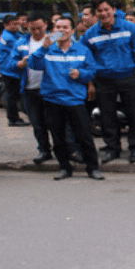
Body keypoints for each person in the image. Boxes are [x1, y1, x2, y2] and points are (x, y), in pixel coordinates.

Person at [28, 17, 103, 180]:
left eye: (65, 27)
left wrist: (80, 74)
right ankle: (64, 167)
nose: (62, 30)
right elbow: (33, 65)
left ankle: (93, 168)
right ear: (53, 30)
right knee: (58, 137)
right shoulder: (47, 50)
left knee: (84, 136)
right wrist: (43, 48)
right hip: (52, 99)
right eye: (58, 27)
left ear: (72, 30)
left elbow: (91, 70)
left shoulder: (82, 50)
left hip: (75, 100)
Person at [81, 0, 135, 164]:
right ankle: (112, 148)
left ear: (113, 10)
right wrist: (90, 82)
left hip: (128, 77)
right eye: (99, 11)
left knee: (133, 114)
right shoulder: (90, 34)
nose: (103, 13)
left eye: (106, 9)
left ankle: (134, 148)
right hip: (103, 80)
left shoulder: (129, 28)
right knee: (107, 116)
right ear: (96, 14)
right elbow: (85, 57)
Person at [9, 12, 67, 164]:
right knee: (37, 123)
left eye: (39, 28)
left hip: (52, 89)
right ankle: (44, 150)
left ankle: (63, 151)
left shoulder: (55, 39)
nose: (36, 32)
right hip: (30, 89)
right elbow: (10, 63)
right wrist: (19, 64)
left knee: (56, 123)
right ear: (27, 26)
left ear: (46, 25)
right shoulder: (21, 42)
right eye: (32, 28)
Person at [0, 14, 29, 127]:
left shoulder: (13, 34)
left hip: (10, 68)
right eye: (13, 24)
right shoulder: (8, 37)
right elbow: (21, 47)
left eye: (17, 24)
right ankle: (13, 119)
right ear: (5, 25)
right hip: (9, 69)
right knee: (12, 95)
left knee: (13, 94)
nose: (16, 26)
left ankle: (14, 117)